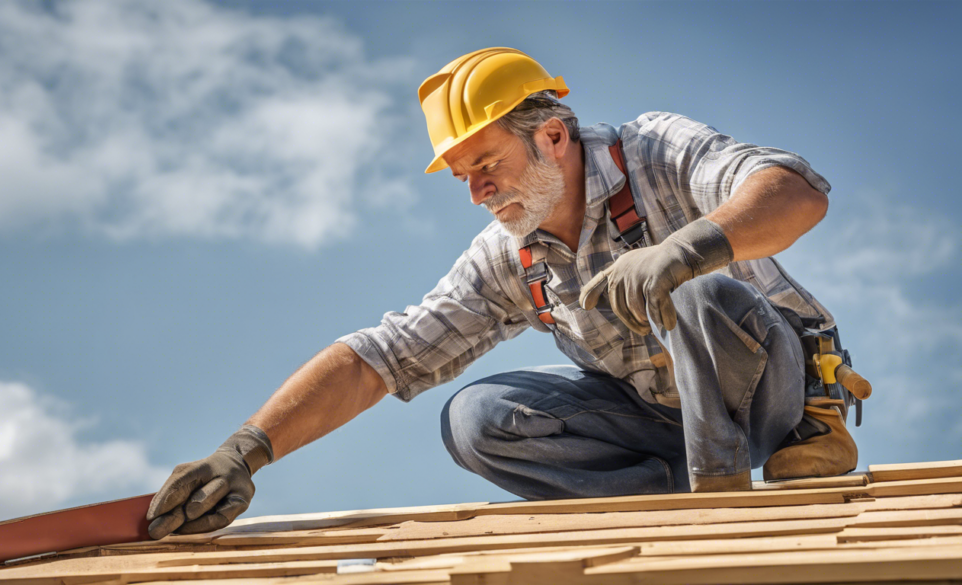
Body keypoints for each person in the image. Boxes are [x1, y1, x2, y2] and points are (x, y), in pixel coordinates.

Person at [145, 47, 858, 539]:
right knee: (477, 417)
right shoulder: (508, 257)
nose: (478, 190)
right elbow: (379, 359)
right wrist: (245, 450)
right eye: (463, 176)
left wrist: (686, 248)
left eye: (487, 163)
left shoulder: (656, 153)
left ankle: (726, 504)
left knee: (699, 293)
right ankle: (660, 503)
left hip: (769, 394)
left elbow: (795, 193)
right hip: (654, 422)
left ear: (552, 135)